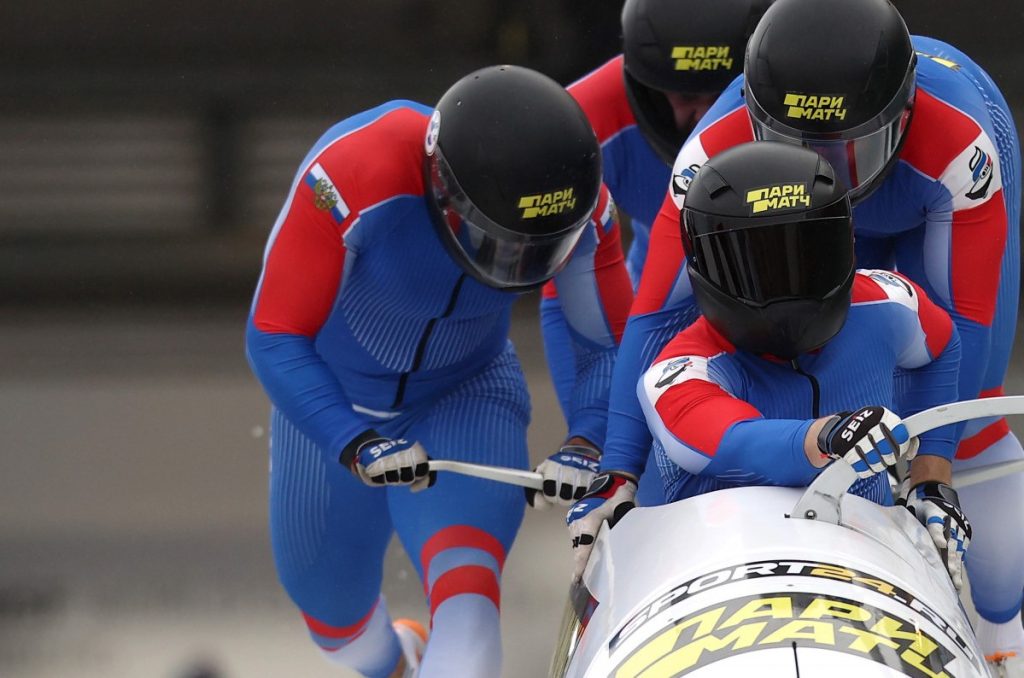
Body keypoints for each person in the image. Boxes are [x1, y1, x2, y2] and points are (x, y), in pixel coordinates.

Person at [583, 0, 1023, 671]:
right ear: (758, 127)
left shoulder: (959, 146)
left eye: (840, 153)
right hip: (788, 226)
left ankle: (1004, 636)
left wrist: (932, 472)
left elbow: (961, 332)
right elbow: (654, 317)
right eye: (796, 148)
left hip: (930, 200)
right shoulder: (712, 150)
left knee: (975, 422)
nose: (828, 179)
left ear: (901, 121)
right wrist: (617, 471)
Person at [245, 65, 632, 677]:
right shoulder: (354, 173)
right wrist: (351, 439)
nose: (518, 266)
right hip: (335, 402)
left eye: (539, 251)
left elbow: (608, 348)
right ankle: (398, 662)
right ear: (442, 187)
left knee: (469, 599)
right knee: (333, 616)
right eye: (501, 242)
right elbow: (274, 336)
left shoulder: (587, 213)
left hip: (467, 393)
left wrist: (586, 440)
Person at [568, 142, 970, 597]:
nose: (788, 288)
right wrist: (826, 435)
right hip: (710, 577)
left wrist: (931, 482)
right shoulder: (678, 371)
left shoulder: (889, 303)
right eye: (757, 268)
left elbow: (944, 349)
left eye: (805, 257)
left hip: (867, 567)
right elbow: (726, 441)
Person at [541, 0, 773, 506]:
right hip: (661, 286)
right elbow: (567, 289)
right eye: (687, 95)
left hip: (779, 291)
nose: (707, 118)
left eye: (727, 93)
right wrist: (590, 438)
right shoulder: (583, 120)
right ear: (643, 83)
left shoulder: (792, 95)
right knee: (636, 480)